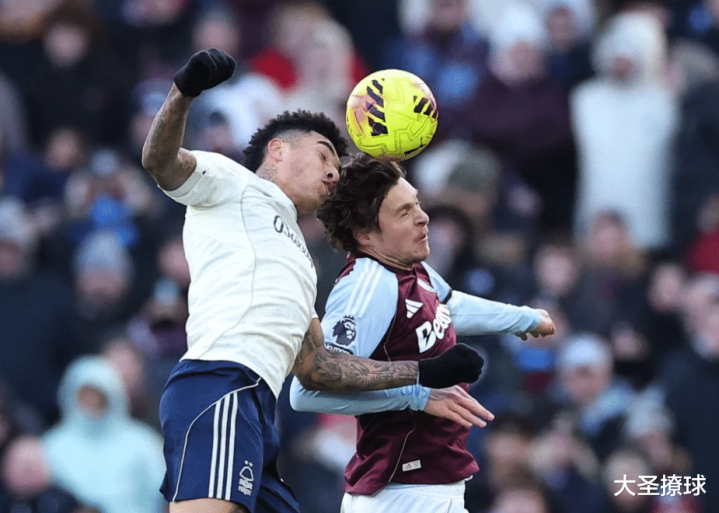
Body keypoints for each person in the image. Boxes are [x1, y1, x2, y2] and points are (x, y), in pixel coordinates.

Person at [141, 48, 487, 513]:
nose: (332, 172)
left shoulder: (303, 263)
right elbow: (160, 162)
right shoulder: (233, 183)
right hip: (220, 381)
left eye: (337, 167)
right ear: (277, 150)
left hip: (259, 408)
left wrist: (422, 373)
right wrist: (184, 91)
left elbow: (319, 368)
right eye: (324, 155)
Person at [289, 154, 555, 513]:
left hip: (432, 485)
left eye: (416, 203)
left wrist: (520, 318)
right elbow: (307, 391)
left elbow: (450, 306)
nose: (423, 217)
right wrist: (414, 394)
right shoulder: (368, 286)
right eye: (404, 212)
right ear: (366, 234)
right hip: (398, 493)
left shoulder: (413, 268)